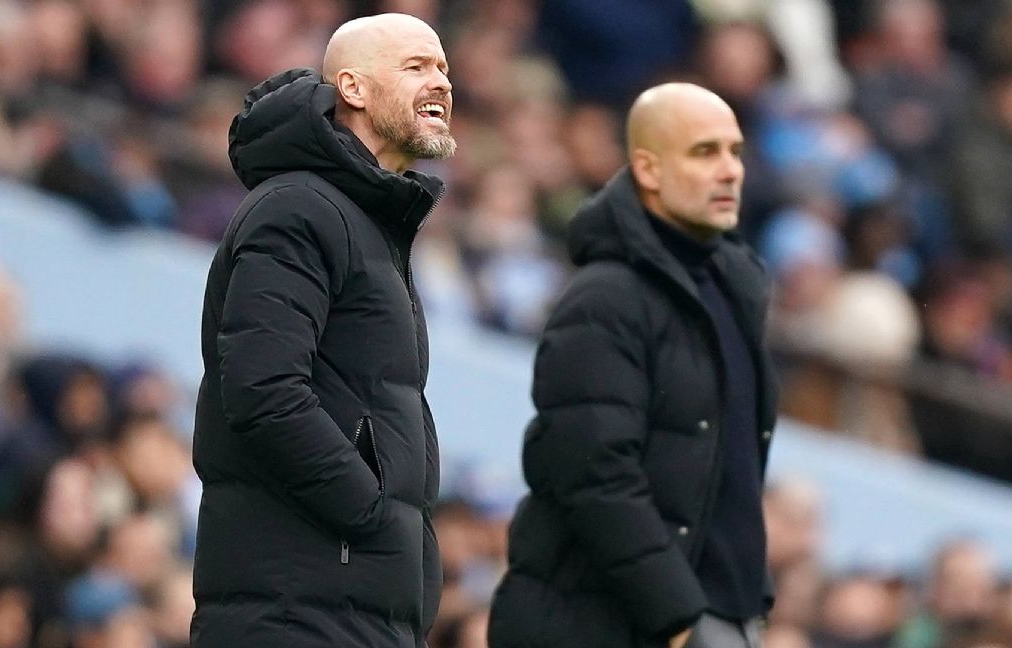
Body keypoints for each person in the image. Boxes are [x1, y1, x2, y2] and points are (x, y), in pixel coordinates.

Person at [189, 13, 455, 648]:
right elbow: (263, 388)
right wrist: (368, 510)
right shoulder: (299, 208)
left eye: (444, 68)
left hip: (352, 607)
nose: (442, 83)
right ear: (353, 88)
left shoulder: (368, 223)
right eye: (416, 66)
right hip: (296, 612)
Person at [487, 83, 779, 648]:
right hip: (612, 621)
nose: (730, 171)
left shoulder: (733, 291)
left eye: (735, 151)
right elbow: (592, 469)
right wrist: (675, 612)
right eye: (704, 152)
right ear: (647, 169)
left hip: (717, 613)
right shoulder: (606, 297)